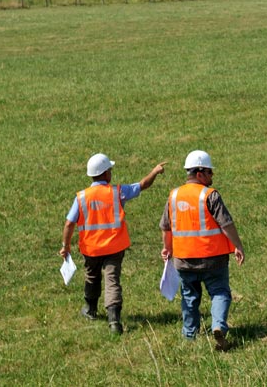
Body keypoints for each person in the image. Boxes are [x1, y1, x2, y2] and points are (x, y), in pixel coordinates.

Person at [59, 153, 166, 334]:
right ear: (105, 174)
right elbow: (142, 185)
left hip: (91, 249)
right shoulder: (118, 192)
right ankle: (114, 321)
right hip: (114, 247)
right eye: (110, 170)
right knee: (112, 280)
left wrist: (66, 246)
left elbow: (69, 223)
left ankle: (90, 309)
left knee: (91, 277)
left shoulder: (81, 197)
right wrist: (155, 171)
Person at [160, 150, 245, 351]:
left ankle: (190, 335)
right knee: (220, 292)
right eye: (209, 172)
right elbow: (226, 224)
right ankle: (218, 325)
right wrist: (237, 246)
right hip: (212, 258)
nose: (212, 176)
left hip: (183, 259)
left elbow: (165, 227)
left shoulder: (173, 196)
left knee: (189, 297)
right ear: (199, 174)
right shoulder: (210, 195)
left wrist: (167, 248)